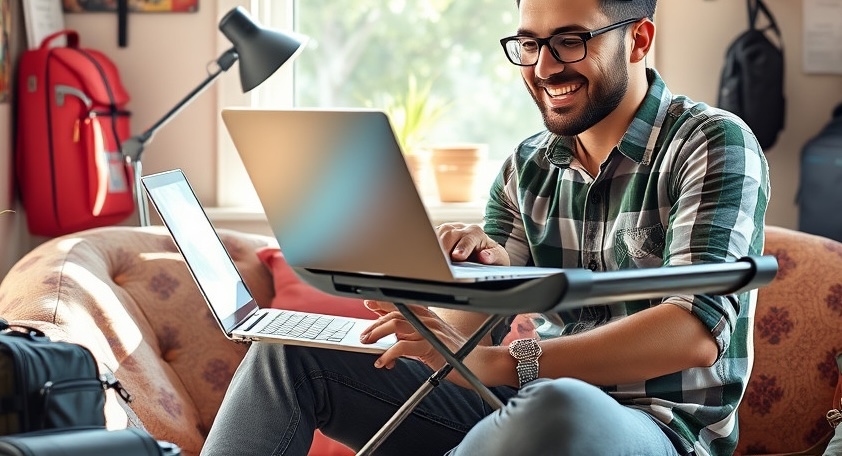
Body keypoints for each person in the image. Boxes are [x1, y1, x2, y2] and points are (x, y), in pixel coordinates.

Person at [201, 0, 770, 454]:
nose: (544, 66)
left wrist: (505, 364)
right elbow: (466, 333)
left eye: (570, 40)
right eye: (529, 44)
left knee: (560, 406)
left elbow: (694, 332)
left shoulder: (712, 142)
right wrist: (465, 283)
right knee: (288, 356)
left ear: (639, 40)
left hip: (654, 432)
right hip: (521, 413)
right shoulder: (527, 166)